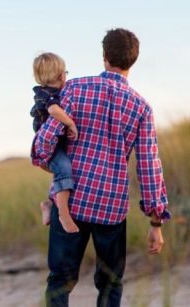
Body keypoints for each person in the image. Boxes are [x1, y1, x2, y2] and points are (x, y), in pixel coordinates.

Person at [32, 28, 171, 307]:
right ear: (133, 60)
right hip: (112, 207)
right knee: (110, 283)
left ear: (104, 55)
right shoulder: (142, 108)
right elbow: (149, 166)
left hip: (72, 201)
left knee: (60, 281)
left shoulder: (74, 88)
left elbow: (45, 140)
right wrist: (155, 222)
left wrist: (44, 159)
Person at [31, 52, 80, 233]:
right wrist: (70, 123)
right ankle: (63, 214)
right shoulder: (46, 94)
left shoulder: (54, 92)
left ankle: (49, 204)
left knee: (62, 171)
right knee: (64, 168)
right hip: (48, 146)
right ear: (61, 76)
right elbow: (53, 111)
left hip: (56, 143)